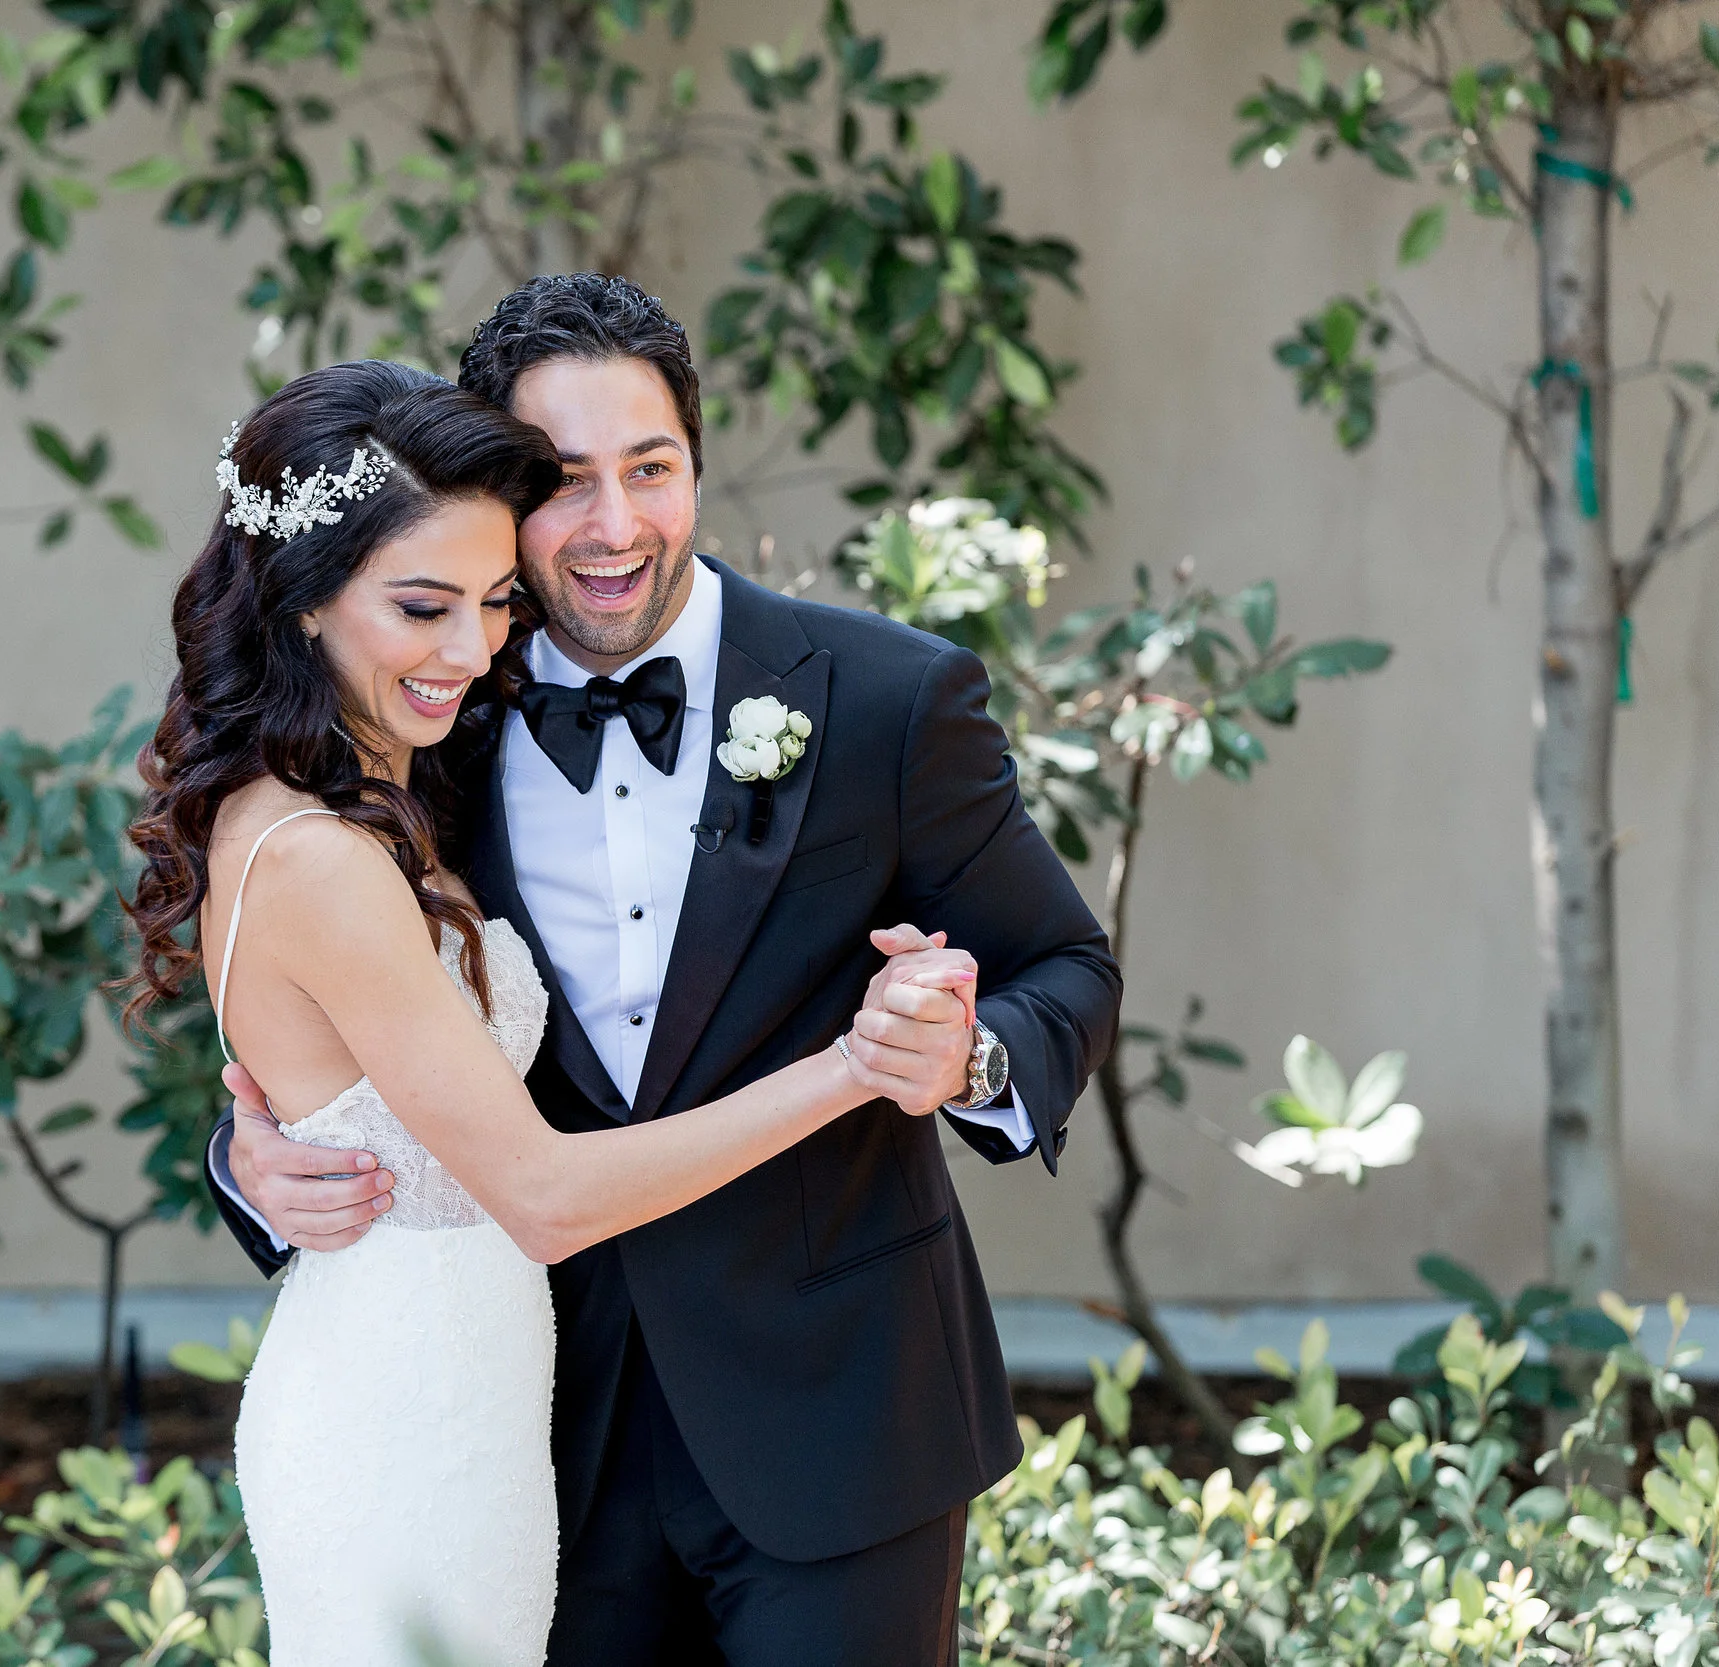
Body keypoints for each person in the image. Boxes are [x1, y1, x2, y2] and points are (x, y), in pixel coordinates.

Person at [204, 276, 1123, 1666]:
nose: (617, 526)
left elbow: (1063, 959)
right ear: (495, 490)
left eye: (652, 468)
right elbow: (328, 990)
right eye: (565, 483)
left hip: (842, 1419)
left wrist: (970, 1053)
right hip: (540, 1434)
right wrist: (254, 1153)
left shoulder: (884, 699)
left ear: (698, 461)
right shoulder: (429, 709)